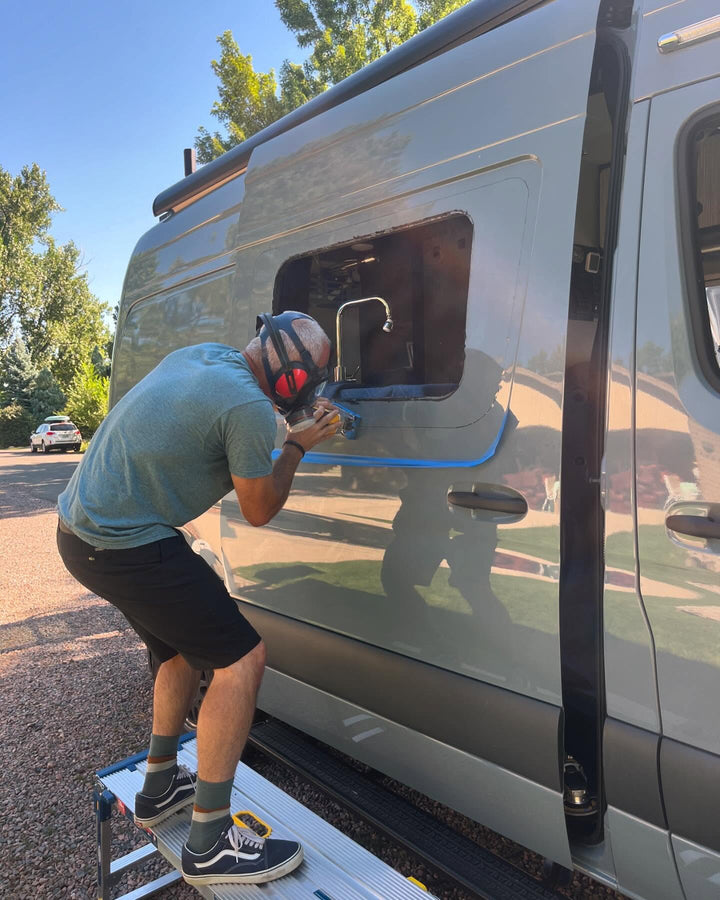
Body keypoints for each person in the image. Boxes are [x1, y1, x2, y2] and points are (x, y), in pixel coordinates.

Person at [56, 312, 338, 887]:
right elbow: (259, 508)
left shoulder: (203, 354)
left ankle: (160, 786)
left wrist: (281, 427)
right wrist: (297, 445)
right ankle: (209, 841)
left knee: (182, 651)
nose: (317, 386)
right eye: (316, 374)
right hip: (125, 543)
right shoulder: (252, 411)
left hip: (81, 532)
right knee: (242, 659)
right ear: (292, 379)